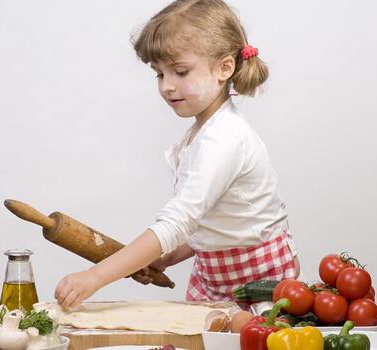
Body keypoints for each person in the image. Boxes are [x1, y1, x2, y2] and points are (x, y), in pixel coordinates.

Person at [54, 0, 305, 310]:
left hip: (261, 282)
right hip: (215, 279)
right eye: (159, 74)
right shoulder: (204, 132)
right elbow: (215, 223)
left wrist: (94, 277)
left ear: (224, 68)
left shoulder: (224, 139)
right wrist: (169, 256)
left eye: (180, 72)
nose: (167, 86)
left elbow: (178, 221)